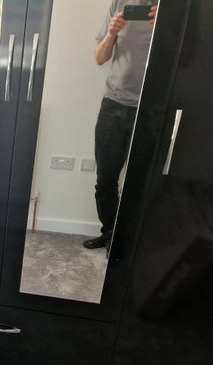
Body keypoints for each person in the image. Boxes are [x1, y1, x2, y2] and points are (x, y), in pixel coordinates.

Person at [83, 1, 157, 250]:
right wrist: (112, 33)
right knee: (105, 180)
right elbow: (99, 57)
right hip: (113, 105)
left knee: (139, 182)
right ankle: (111, 234)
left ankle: (129, 242)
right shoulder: (119, 3)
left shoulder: (174, 9)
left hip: (151, 110)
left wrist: (166, 28)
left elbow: (188, 61)